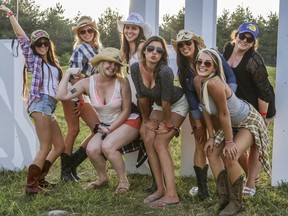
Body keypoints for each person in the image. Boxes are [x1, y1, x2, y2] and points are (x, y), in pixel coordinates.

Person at [193, 48, 271, 215]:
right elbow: (205, 109)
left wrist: (229, 142)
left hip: (247, 120)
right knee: (212, 152)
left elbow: (223, 113)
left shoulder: (215, 83)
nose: (202, 65)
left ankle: (237, 202)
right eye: (199, 62)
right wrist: (211, 137)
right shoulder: (197, 81)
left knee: (231, 155)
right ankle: (225, 197)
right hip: (230, 123)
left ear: (214, 67)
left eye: (207, 63)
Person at [57, 47, 141, 194]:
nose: (112, 67)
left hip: (128, 120)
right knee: (91, 149)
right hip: (106, 125)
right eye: (109, 62)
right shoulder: (86, 83)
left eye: (116, 64)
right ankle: (103, 178)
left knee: (108, 146)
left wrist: (110, 129)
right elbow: (62, 95)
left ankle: (123, 181)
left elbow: (126, 110)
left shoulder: (122, 82)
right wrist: (68, 73)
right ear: (100, 63)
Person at [0, 5, 65, 195]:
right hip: (40, 104)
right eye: (38, 44)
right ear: (34, 47)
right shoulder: (33, 59)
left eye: (45, 43)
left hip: (50, 106)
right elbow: (21, 37)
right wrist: (10, 14)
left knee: (59, 146)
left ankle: (40, 179)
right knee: (45, 146)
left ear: (49, 44)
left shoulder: (54, 64)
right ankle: (31, 186)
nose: (42, 46)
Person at [171, 29, 237, 200]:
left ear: (195, 43)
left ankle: (234, 185)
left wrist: (229, 99)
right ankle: (203, 190)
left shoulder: (212, 55)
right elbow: (192, 99)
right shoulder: (183, 71)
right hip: (200, 112)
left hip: (221, 106)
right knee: (201, 144)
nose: (185, 47)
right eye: (181, 45)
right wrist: (198, 125)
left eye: (188, 43)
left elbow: (230, 76)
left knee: (223, 144)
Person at [130, 36, 189, 207]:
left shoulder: (165, 72)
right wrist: (146, 120)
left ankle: (172, 194)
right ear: (144, 50)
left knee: (160, 142)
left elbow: (166, 103)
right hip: (157, 104)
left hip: (176, 104)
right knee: (147, 137)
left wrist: (169, 124)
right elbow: (141, 98)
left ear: (163, 54)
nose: (154, 53)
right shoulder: (135, 68)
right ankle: (160, 188)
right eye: (150, 49)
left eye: (159, 50)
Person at [222, 21, 276, 196]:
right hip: (239, 104)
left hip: (261, 104)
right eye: (242, 36)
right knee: (241, 141)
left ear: (254, 43)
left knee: (255, 142)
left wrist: (261, 118)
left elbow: (264, 92)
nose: (244, 41)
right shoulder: (228, 49)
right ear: (236, 35)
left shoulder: (255, 61)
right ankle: (251, 174)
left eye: (249, 39)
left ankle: (251, 182)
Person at [117, 12, 156, 193]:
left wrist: (145, 103)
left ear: (140, 31)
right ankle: (157, 178)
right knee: (146, 137)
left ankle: (158, 179)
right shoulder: (127, 50)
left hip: (145, 100)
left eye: (133, 28)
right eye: (127, 27)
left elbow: (148, 76)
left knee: (150, 137)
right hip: (133, 101)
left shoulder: (142, 47)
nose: (129, 31)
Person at [60, 16, 101, 182]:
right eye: (82, 31)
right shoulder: (80, 49)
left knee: (98, 129)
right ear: (79, 34)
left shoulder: (97, 49)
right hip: (74, 93)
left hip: (85, 93)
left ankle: (72, 166)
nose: (86, 33)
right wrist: (81, 98)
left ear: (94, 31)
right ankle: (65, 172)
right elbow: (73, 77)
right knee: (76, 129)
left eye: (89, 30)